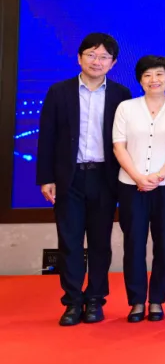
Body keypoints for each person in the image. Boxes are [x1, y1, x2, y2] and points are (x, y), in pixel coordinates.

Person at [37, 33, 132, 326]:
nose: (97, 61)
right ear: (79, 58)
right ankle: (72, 302)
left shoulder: (121, 95)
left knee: (101, 242)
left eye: (104, 57)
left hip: (105, 178)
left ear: (113, 63)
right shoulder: (59, 92)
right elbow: (47, 137)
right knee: (70, 242)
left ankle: (95, 300)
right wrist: (46, 177)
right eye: (91, 54)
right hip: (70, 178)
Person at [112, 55, 165, 323]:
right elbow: (118, 146)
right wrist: (138, 177)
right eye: (147, 75)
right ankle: (136, 301)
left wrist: (159, 175)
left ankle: (156, 300)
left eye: (159, 74)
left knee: (164, 243)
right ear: (139, 80)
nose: (153, 80)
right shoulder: (126, 108)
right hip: (130, 185)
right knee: (133, 243)